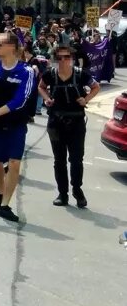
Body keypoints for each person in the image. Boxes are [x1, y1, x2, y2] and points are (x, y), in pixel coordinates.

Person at [0, 31, 35, 223]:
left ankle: (5, 205)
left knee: (13, 163)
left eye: (0, 44)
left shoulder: (26, 72)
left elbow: (19, 101)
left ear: (12, 47)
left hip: (15, 123)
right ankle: (0, 193)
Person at [39, 44, 99, 208]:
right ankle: (62, 193)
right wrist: (46, 98)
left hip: (76, 122)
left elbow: (96, 87)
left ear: (72, 58)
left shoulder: (80, 75)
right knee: (59, 160)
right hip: (55, 123)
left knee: (76, 160)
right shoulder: (50, 74)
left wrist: (85, 99)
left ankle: (77, 190)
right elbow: (41, 87)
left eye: (67, 57)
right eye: (59, 58)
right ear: (55, 59)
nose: (63, 61)